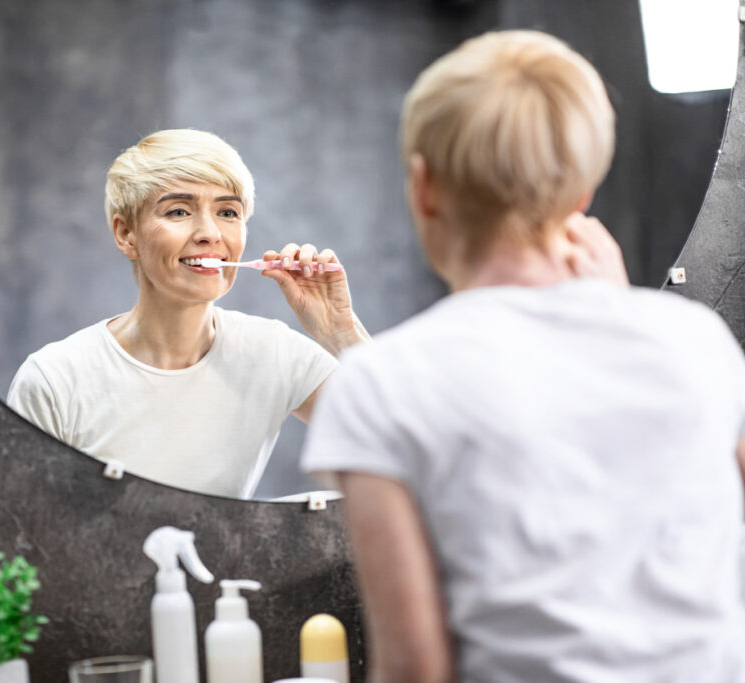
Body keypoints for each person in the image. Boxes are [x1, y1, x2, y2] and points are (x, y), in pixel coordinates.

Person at [302, 30, 745, 682]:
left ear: (424, 187)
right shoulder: (698, 342)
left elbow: (415, 666)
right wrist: (626, 316)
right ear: (581, 194)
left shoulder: (380, 385)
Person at [7, 128, 368, 498]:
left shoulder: (275, 353)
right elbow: (18, 531)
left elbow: (408, 443)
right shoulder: (53, 380)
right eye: (178, 211)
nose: (210, 233)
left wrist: (340, 330)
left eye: (228, 212)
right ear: (126, 234)